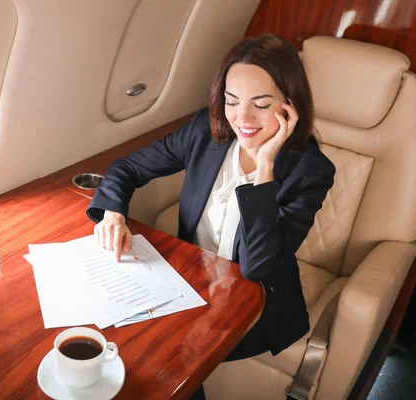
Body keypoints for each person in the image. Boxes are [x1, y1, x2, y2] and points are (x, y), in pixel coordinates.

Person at [86, 34, 336, 397]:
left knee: (163, 357)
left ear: (289, 106)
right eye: (231, 101)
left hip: (255, 300)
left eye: (261, 105)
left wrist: (264, 167)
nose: (242, 118)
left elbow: (258, 266)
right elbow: (129, 167)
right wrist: (113, 213)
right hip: (191, 281)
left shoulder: (310, 171)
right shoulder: (207, 131)